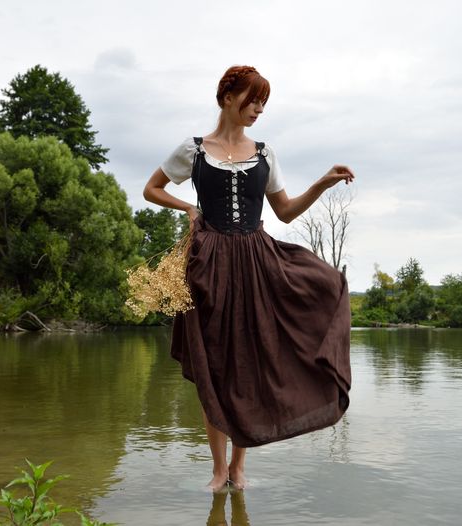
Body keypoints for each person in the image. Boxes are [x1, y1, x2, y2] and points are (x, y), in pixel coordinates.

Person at [143, 65, 355, 493]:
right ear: (227, 97)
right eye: (252, 99)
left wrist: (323, 184)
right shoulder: (194, 149)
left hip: (257, 263)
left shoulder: (265, 152)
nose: (259, 109)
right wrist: (188, 209)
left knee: (249, 364)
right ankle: (218, 470)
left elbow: (285, 211)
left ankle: (239, 469)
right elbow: (152, 189)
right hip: (210, 263)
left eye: (264, 102)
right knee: (215, 368)